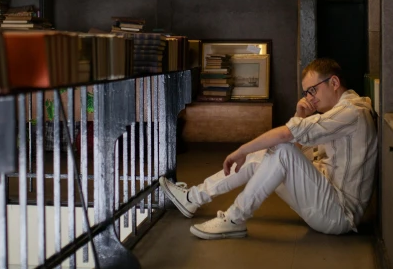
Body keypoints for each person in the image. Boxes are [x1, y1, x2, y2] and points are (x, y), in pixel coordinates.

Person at [159, 58, 377, 239]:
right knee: (267, 153)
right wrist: (300, 116)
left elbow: (285, 136)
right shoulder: (338, 113)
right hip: (323, 199)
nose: (310, 98)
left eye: (312, 90)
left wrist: (241, 150)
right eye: (306, 93)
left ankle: (235, 218)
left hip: (338, 214)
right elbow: (297, 145)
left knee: (280, 150)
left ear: (334, 82)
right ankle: (193, 198)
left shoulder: (351, 112)